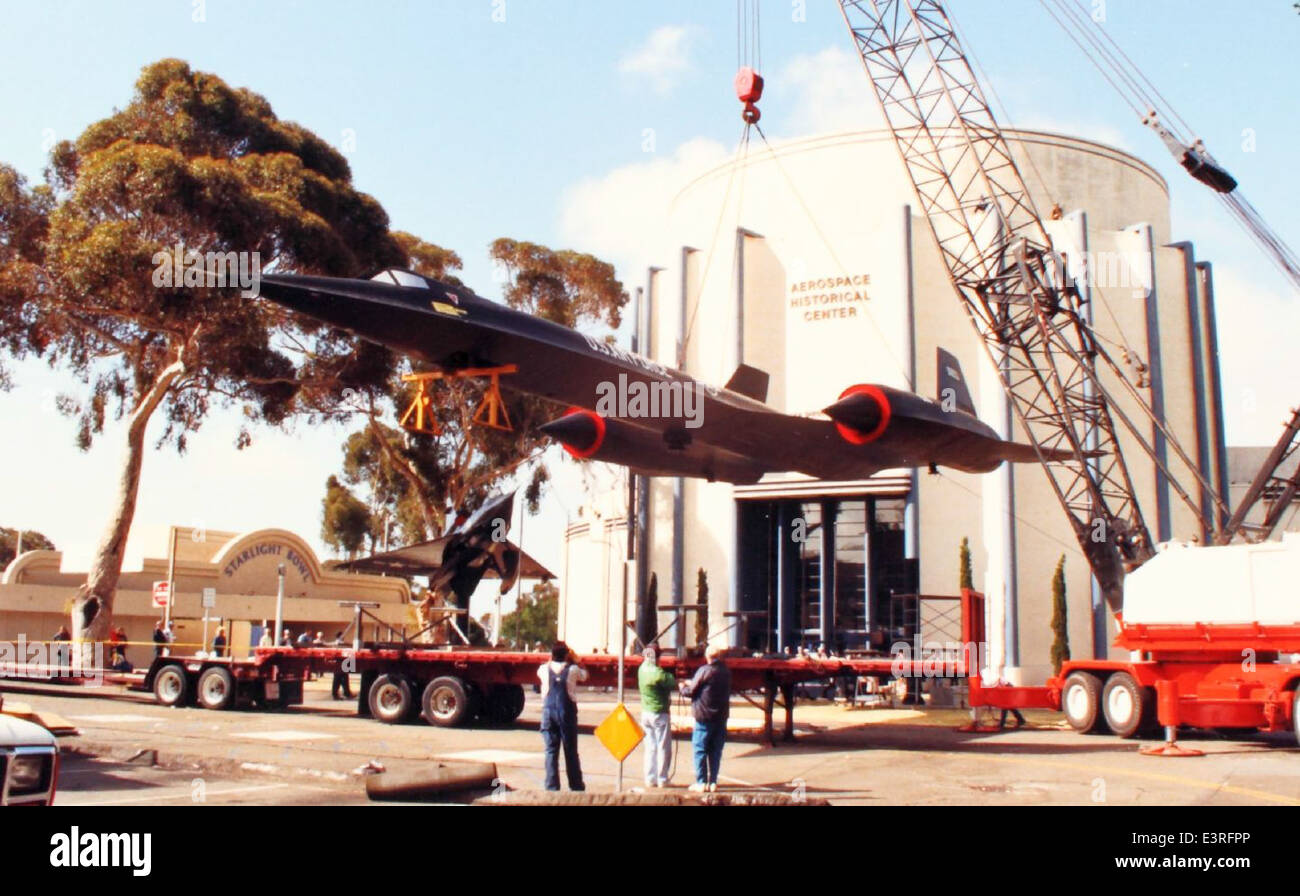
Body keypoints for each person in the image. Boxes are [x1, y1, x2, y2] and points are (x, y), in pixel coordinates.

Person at [537, 641, 587, 792]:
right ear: (566, 655)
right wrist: (576, 661)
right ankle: (576, 785)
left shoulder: (543, 669)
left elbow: (545, 667)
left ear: (551, 655)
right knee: (570, 750)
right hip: (567, 713)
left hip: (548, 712)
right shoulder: (573, 669)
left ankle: (552, 786)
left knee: (551, 750)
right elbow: (584, 676)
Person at [680, 643, 730, 793]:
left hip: (704, 716)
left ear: (707, 656)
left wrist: (682, 686)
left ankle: (701, 782)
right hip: (721, 716)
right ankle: (713, 781)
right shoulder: (726, 672)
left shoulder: (704, 671)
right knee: (715, 751)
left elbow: (691, 691)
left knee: (700, 749)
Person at [637, 645, 676, 788]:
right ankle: (662, 778)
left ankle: (650, 778)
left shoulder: (642, 669)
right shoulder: (658, 672)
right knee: (663, 746)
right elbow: (671, 681)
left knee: (650, 747)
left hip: (646, 712)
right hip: (659, 712)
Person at [331, 631, 353, 700]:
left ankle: (343, 693)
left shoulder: (335, 643)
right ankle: (345, 693)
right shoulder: (340, 644)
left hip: (339, 661)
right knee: (342, 678)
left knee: (339, 678)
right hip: (342, 661)